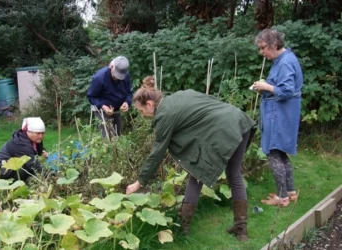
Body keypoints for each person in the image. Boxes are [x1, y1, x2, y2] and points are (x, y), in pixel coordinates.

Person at [126, 76, 256, 240]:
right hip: (239, 120)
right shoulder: (181, 95)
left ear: (150, 104)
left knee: (196, 176)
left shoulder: (164, 115)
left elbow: (157, 153)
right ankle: (241, 230)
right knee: (235, 175)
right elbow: (208, 105)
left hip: (223, 131)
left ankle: (183, 229)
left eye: (141, 110)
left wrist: (139, 182)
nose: (142, 114)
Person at [252, 28, 303, 207]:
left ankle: (282, 199)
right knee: (280, 152)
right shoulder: (282, 59)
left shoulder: (285, 62)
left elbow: (287, 90)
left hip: (280, 114)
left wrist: (266, 87)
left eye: (263, 47)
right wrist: (266, 85)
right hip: (283, 112)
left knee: (273, 152)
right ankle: (290, 193)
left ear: (275, 44)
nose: (262, 52)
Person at [87, 56, 133, 137]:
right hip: (101, 110)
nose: (118, 78)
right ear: (111, 67)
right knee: (108, 137)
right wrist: (102, 105)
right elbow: (91, 97)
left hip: (117, 109)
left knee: (117, 135)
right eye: (116, 75)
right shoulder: (99, 78)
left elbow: (129, 92)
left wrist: (127, 102)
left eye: (120, 77)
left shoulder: (126, 75)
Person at [0, 117, 49, 181]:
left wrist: (45, 153)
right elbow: (33, 165)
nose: (41, 136)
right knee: (26, 169)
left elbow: (40, 151)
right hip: (3, 169)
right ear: (28, 132)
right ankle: (16, 186)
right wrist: (51, 176)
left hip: (14, 165)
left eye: (42, 133)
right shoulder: (22, 144)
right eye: (38, 133)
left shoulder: (34, 140)